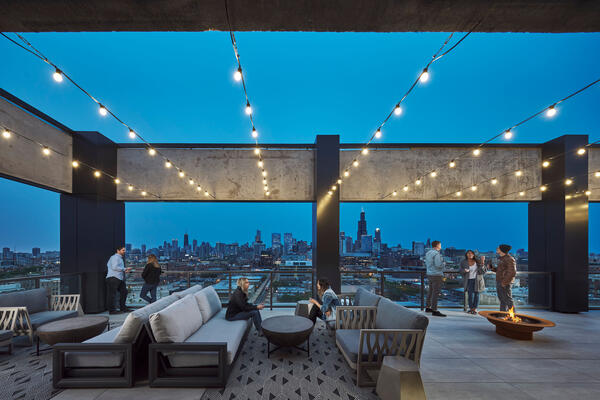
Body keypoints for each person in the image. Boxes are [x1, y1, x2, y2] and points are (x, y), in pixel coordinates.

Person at [488, 244, 517, 312]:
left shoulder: (509, 259)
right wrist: (492, 268)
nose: (496, 249)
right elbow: (500, 270)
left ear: (502, 250)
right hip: (500, 281)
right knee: (502, 300)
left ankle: (513, 315)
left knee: (507, 299)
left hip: (504, 282)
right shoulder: (503, 258)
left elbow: (512, 272)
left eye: (498, 248)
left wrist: (504, 282)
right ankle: (503, 314)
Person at [106, 246, 131, 314]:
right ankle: (112, 310)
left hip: (118, 278)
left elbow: (110, 266)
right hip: (113, 278)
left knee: (124, 292)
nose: (124, 251)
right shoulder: (115, 257)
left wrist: (124, 270)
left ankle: (123, 308)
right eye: (123, 250)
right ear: (118, 250)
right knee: (112, 295)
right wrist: (124, 269)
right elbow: (114, 267)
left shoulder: (119, 258)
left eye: (125, 250)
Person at [460, 250, 486, 314]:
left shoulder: (477, 261)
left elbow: (483, 272)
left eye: (471, 253)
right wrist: (464, 270)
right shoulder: (463, 262)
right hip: (468, 280)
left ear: (473, 255)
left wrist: (482, 262)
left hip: (477, 280)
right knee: (470, 295)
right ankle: (471, 308)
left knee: (477, 294)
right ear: (466, 254)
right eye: (468, 253)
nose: (470, 254)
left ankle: (475, 309)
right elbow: (460, 270)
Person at [425, 240, 446, 317]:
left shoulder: (428, 253)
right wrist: (443, 264)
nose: (441, 246)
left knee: (430, 291)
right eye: (440, 244)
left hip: (429, 274)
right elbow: (438, 265)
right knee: (435, 293)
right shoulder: (436, 254)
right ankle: (434, 310)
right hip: (436, 275)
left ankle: (427, 307)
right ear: (437, 245)